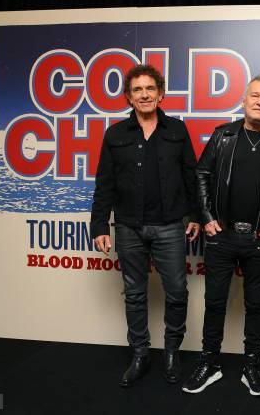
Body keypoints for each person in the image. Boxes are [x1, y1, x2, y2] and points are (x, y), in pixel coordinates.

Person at [181, 74, 260, 396]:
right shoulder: (223, 136)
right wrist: (206, 218)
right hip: (222, 238)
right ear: (244, 100)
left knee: (257, 305)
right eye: (255, 96)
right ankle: (209, 363)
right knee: (215, 302)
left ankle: (252, 366)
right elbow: (201, 174)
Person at [90, 64, 200, 387]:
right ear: (129, 97)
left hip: (169, 227)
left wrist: (193, 215)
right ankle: (140, 352)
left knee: (177, 292)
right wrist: (99, 225)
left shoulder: (177, 131)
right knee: (135, 295)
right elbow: (104, 184)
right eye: (137, 90)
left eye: (150, 89)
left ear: (161, 94)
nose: (145, 94)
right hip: (128, 228)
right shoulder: (115, 135)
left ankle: (170, 350)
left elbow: (191, 177)